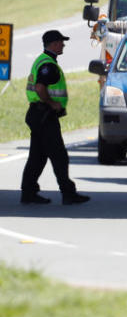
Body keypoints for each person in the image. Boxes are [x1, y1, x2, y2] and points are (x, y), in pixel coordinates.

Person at [21, 30, 90, 205]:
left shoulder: (43, 60)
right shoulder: (48, 65)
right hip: (44, 115)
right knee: (59, 156)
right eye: (61, 42)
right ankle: (68, 194)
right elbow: (39, 88)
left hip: (37, 114)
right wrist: (52, 103)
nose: (63, 45)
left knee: (37, 156)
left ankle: (28, 193)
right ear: (53, 44)